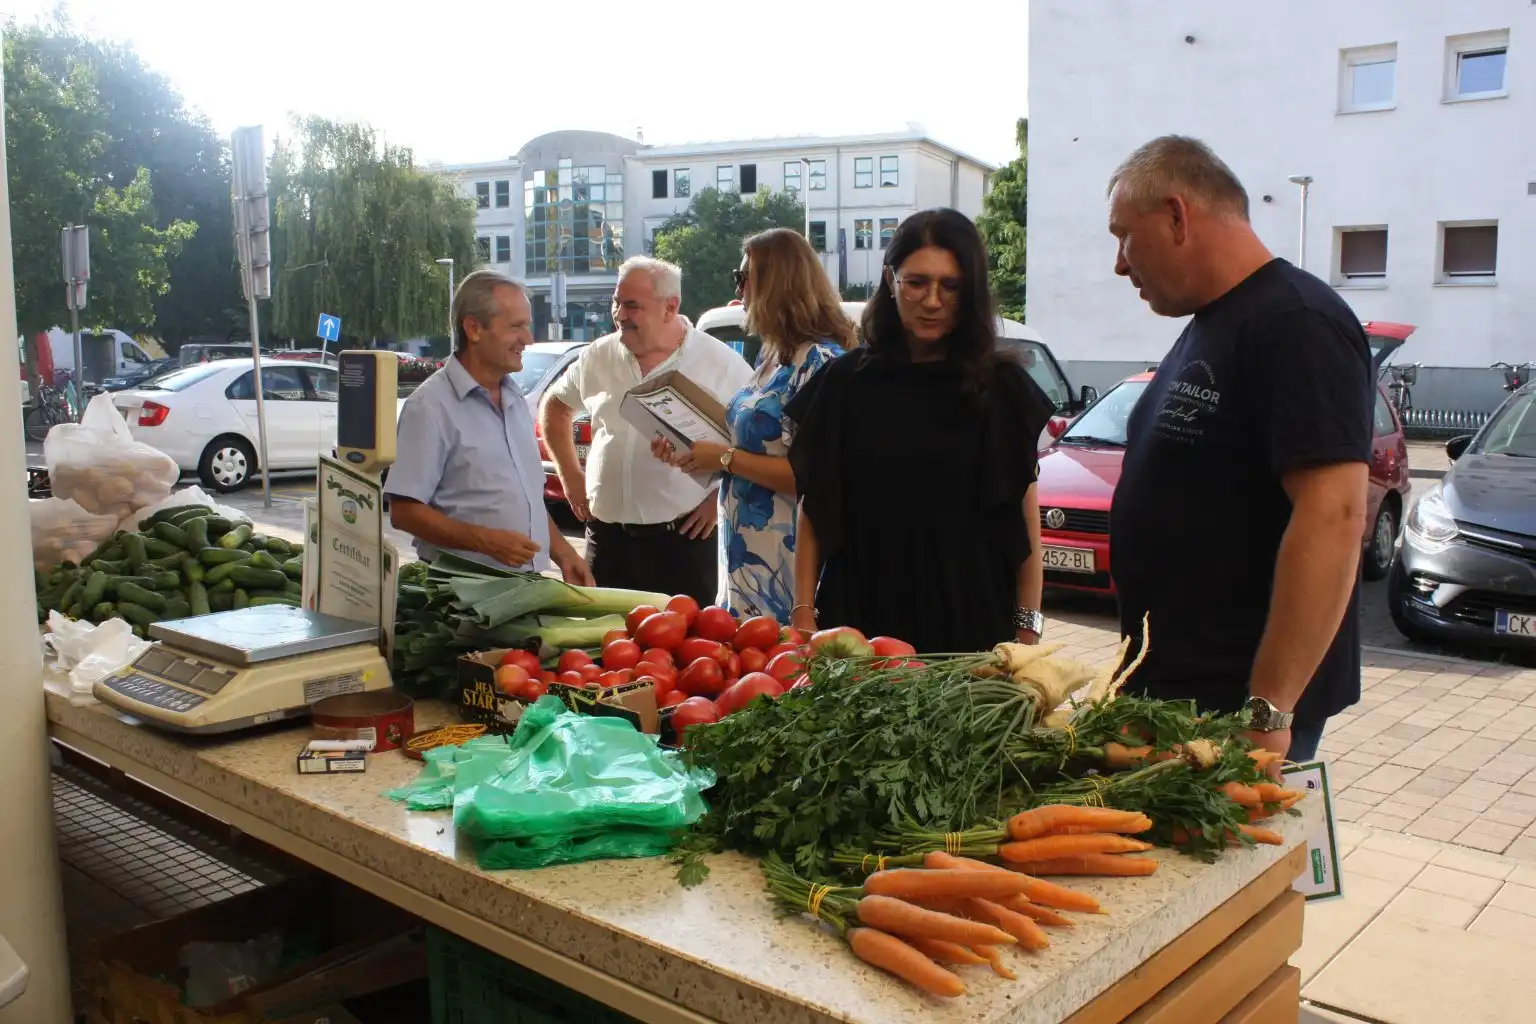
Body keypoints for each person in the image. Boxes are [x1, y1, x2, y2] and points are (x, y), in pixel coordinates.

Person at [1105, 136, 1373, 766]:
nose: (1119, 263)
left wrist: (1269, 710)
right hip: (1178, 695)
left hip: (1235, 711)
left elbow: (1334, 516)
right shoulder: (1213, 323)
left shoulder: (1297, 322)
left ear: (1177, 215)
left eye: (1124, 236)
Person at [784, 209, 1055, 652]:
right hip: (860, 619)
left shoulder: (999, 388)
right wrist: (803, 615)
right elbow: (815, 508)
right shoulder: (844, 383)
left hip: (971, 624)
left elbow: (1024, 523)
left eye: (951, 286)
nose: (932, 301)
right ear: (891, 280)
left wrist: (1028, 632)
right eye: (917, 282)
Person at [651, 228, 854, 620]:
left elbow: (814, 476)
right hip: (746, 552)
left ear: (776, 283)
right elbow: (748, 447)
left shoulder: (820, 363)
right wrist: (691, 451)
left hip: (786, 558)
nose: (739, 290)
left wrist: (724, 458)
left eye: (743, 277)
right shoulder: (774, 354)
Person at [540, 256, 753, 603]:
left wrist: (718, 498)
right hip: (605, 541)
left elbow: (758, 448)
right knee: (604, 651)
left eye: (632, 306)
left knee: (686, 653)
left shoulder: (721, 364)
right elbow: (555, 406)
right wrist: (569, 475)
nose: (619, 314)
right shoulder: (599, 355)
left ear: (670, 307)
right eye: (616, 302)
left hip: (683, 547)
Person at [385, 269, 591, 583]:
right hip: (463, 595)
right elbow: (404, 511)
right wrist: (483, 540)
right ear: (474, 328)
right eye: (516, 327)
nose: (528, 339)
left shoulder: (515, 399)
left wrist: (563, 554)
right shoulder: (429, 407)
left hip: (526, 587)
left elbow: (527, 498)